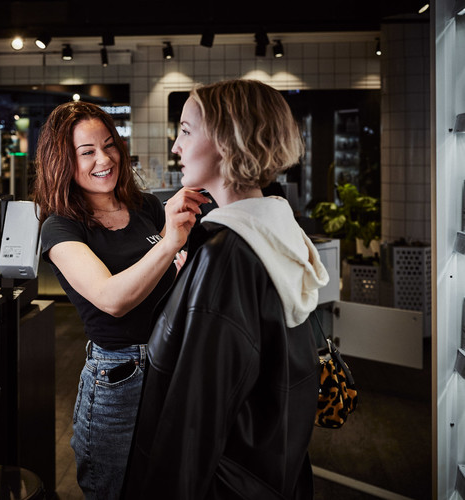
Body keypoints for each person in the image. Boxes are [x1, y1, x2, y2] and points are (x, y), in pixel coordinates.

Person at [123, 80, 330, 499]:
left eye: (185, 130)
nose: (176, 146)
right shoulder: (275, 230)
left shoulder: (227, 255)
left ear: (227, 140)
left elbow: (193, 420)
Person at [33, 100, 209, 500]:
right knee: (115, 490)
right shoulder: (60, 228)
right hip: (119, 378)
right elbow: (112, 299)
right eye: (87, 151)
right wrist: (168, 245)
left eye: (109, 145)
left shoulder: (145, 206)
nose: (104, 159)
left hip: (172, 362)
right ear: (62, 161)